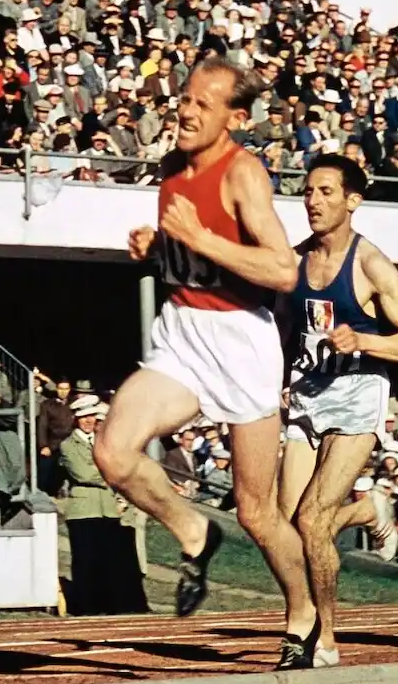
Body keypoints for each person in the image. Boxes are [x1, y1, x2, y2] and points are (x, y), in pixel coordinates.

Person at [94, 57, 309, 649]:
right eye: (185, 99)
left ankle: (305, 616)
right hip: (183, 335)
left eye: (202, 105)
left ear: (235, 118)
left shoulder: (244, 174)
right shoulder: (170, 168)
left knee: (256, 512)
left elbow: (282, 270)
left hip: (241, 341)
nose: (186, 111)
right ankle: (191, 530)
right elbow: (192, 254)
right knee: (112, 453)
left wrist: (195, 238)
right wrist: (158, 247)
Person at [277, 155, 398, 668]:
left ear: (352, 201)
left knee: (312, 518)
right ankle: (367, 512)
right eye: (308, 191)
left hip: (356, 396)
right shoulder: (295, 259)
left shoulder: (370, 265)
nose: (313, 201)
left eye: (325, 192)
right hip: (306, 394)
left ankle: (322, 639)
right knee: (287, 523)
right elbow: (284, 329)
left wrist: (363, 340)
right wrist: (279, 377)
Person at [55, 394, 149, 615]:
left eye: (91, 416)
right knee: (85, 560)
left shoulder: (101, 443)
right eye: (83, 417)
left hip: (108, 510)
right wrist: (113, 471)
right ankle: (85, 607)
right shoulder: (68, 445)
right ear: (76, 418)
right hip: (83, 510)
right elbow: (84, 473)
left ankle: (106, 605)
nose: (88, 421)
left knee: (106, 562)